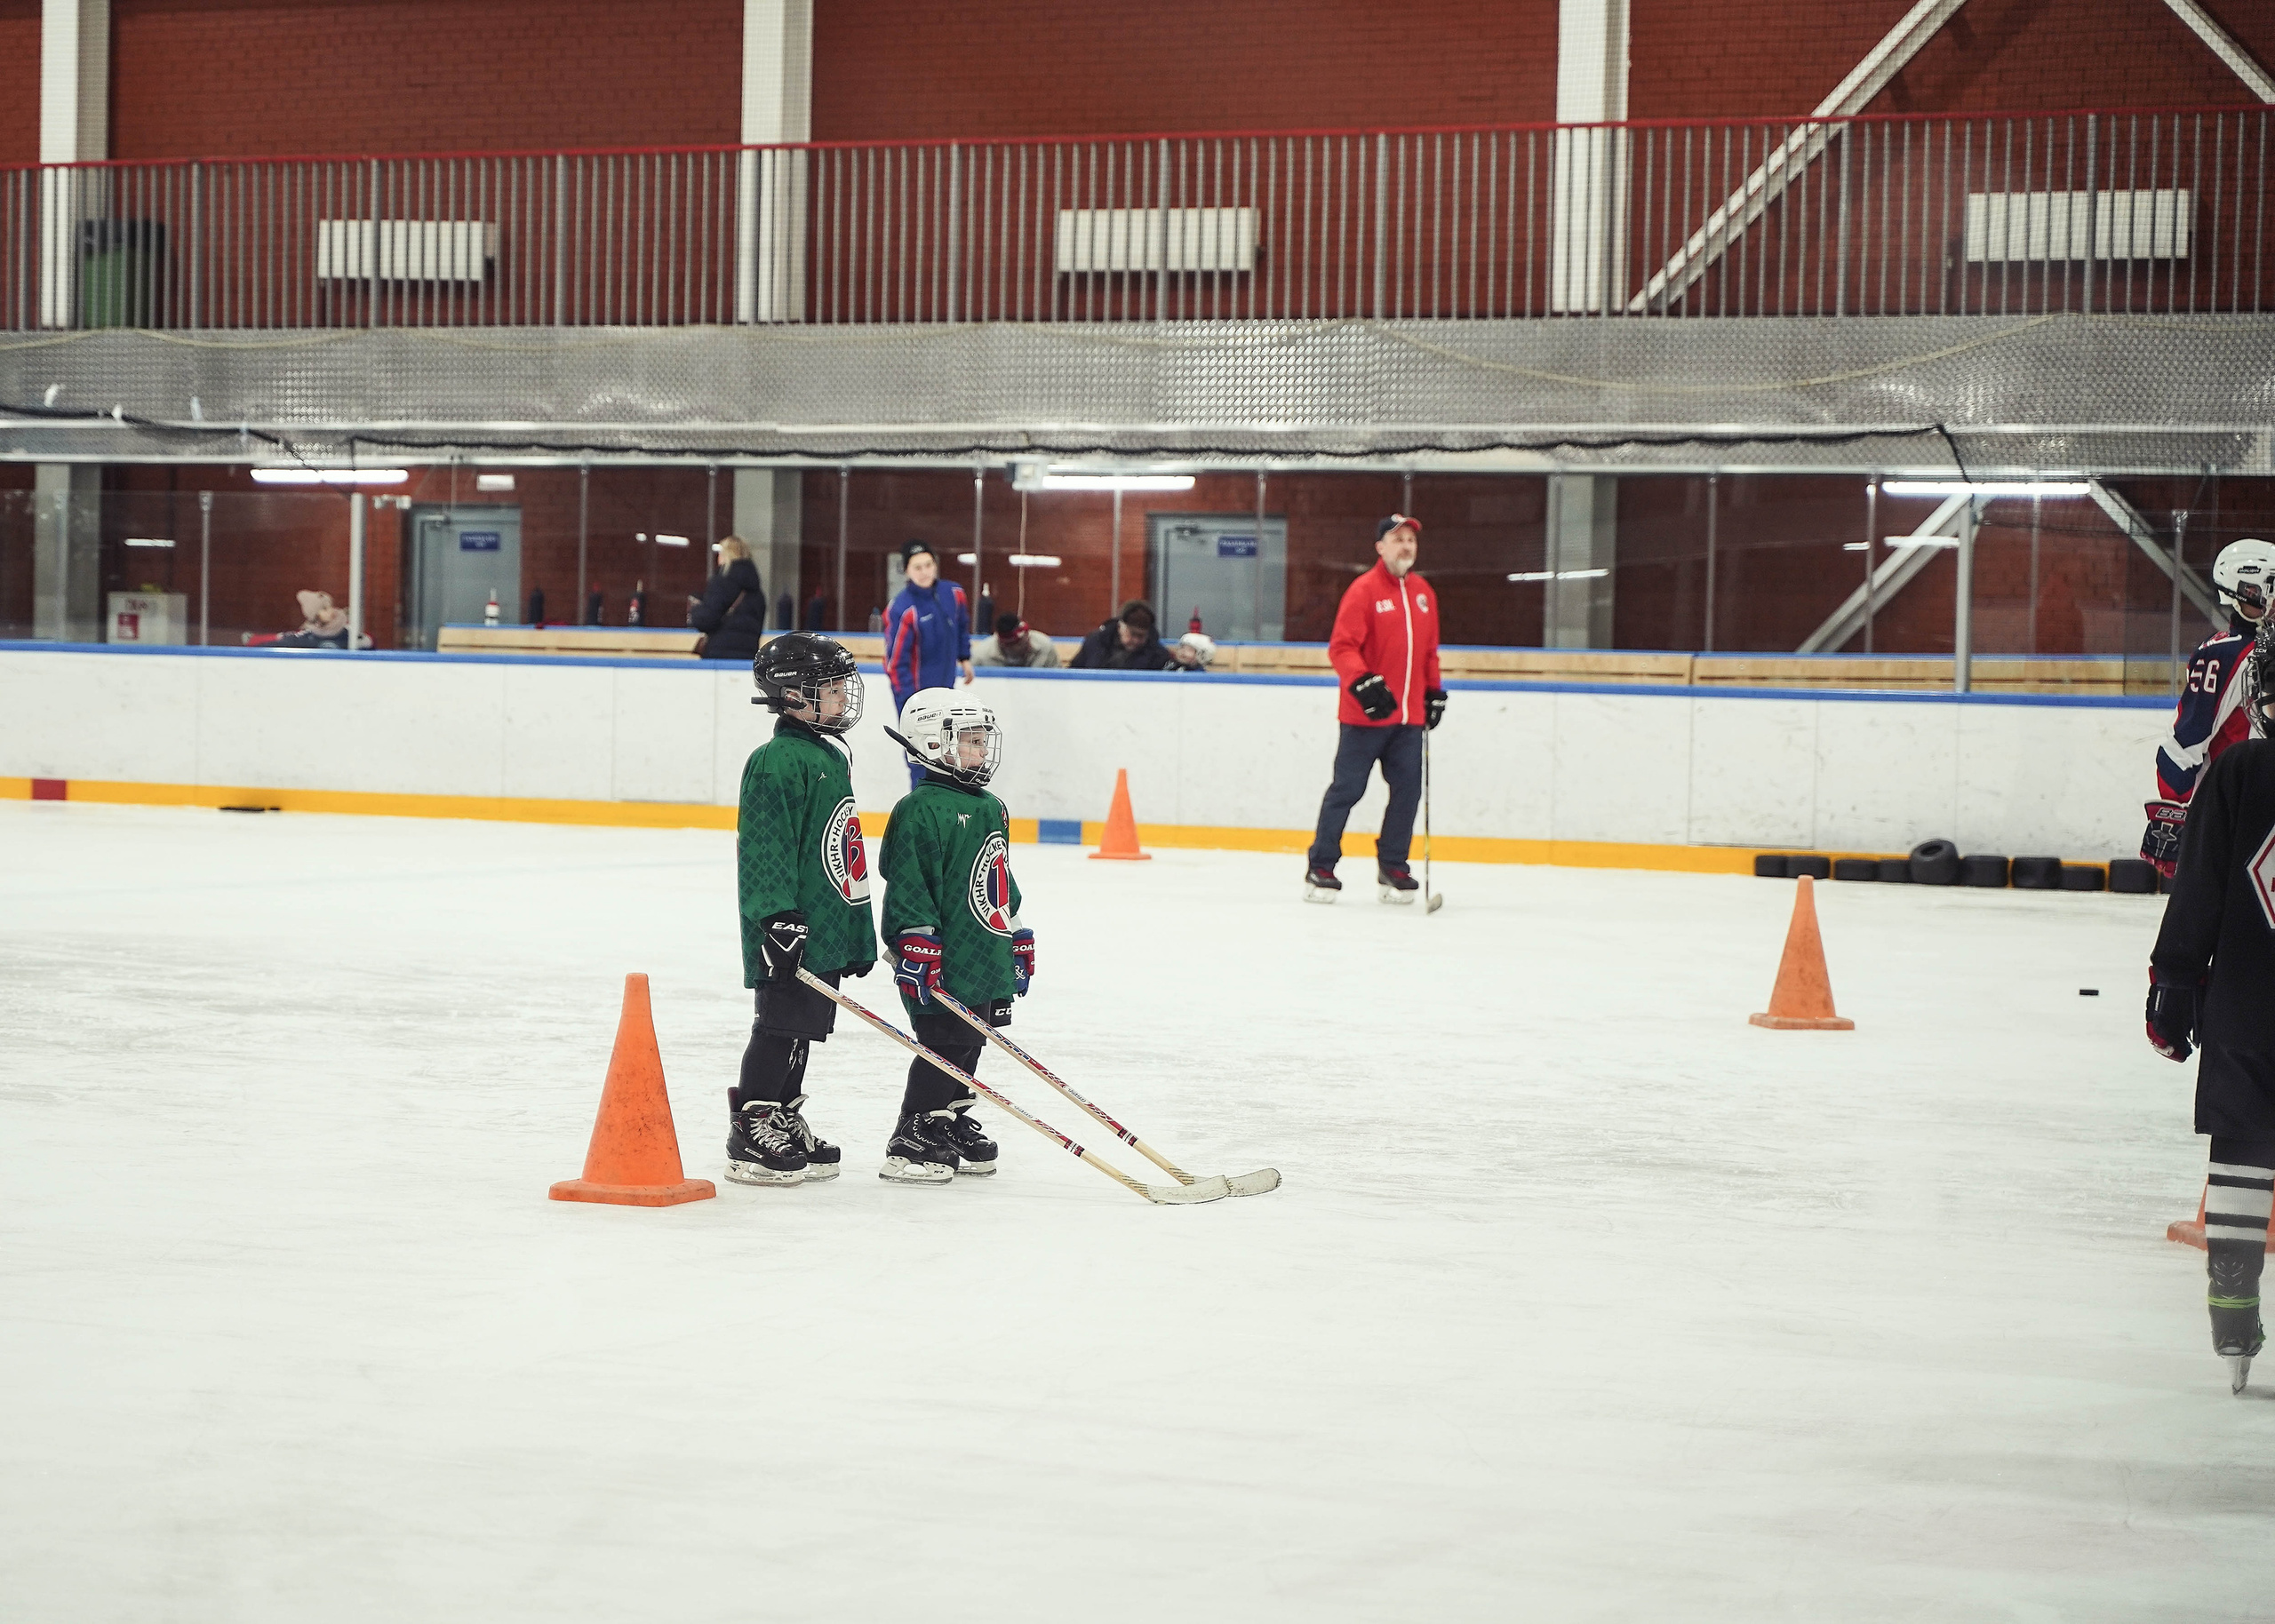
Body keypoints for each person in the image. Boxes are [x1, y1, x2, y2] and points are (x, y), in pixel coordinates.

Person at [2148, 635, 2275, 1393]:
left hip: (2245, 1011)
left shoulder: (2235, 772)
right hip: (2243, 1009)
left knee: (2241, 1151)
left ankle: (2232, 1314)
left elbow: (2196, 893)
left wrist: (2173, 983)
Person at [725, 633, 879, 1187]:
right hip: (789, 926)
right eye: (829, 690)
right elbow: (765, 845)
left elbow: (840, 850)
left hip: (822, 924)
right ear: (791, 695)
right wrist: (775, 916)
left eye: (841, 688)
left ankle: (784, 1114)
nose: (842, 699)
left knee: (803, 1027)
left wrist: (852, 930)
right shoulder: (775, 761)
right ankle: (752, 1123)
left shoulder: (827, 755)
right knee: (778, 1023)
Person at [875, 689, 1033, 1183]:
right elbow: (908, 881)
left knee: (973, 1038)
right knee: (943, 1040)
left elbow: (998, 877)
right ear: (931, 743)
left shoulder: (991, 806)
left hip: (983, 946)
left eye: (983, 739)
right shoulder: (919, 809)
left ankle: (950, 1115)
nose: (981, 749)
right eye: (968, 740)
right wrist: (914, 940)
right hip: (941, 953)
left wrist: (1015, 932)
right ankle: (913, 1132)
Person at [1305, 514, 1447, 904]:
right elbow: (1342, 647)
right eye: (1398, 539)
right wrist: (1361, 681)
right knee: (1347, 790)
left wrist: (1433, 692)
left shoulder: (1423, 593)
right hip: (1365, 718)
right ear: (1380, 547)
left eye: (1411, 540)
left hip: (1408, 719)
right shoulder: (1363, 590)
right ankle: (1321, 866)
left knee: (1408, 792)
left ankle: (1393, 865)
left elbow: (1429, 652)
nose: (1406, 546)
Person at [2144, 538, 2275, 878]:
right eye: (2271, 587)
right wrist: (2172, 815)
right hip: (2235, 814)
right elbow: (2186, 743)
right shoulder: (2226, 654)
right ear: (2246, 590)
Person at [882, 540, 974, 784]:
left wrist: (964, 658)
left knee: (949, 755)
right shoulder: (903, 608)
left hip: (945, 693)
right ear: (907, 571)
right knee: (920, 758)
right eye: (917, 567)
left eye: (928, 565)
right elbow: (895, 663)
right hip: (914, 698)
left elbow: (961, 626)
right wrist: (911, 703)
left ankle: (946, 802)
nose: (924, 572)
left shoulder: (953, 594)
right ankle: (920, 802)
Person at [690, 535, 767, 662]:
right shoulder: (756, 591)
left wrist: (696, 609)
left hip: (719, 653)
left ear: (725, 556)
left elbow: (706, 619)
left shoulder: (723, 583)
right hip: (748, 655)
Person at [1069, 600, 1206, 672]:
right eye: (1131, 634)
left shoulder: (1158, 655)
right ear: (1120, 627)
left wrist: (1193, 665)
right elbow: (1073, 672)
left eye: (1141, 636)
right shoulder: (1094, 643)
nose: (1135, 640)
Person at [972, 612, 1063, 669]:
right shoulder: (981, 656)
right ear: (1004, 644)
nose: (1027, 642)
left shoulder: (1045, 647)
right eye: (1019, 643)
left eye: (1027, 636)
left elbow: (1059, 683)